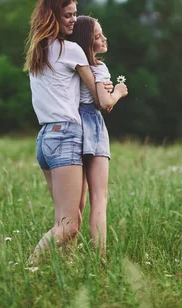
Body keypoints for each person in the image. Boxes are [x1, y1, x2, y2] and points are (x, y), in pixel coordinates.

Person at [23, 0, 110, 262]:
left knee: (65, 220)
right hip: (67, 135)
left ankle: (66, 269)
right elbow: (98, 98)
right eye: (67, 15)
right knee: (69, 225)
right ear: (53, 16)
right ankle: (29, 265)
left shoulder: (38, 51)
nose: (73, 20)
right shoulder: (71, 49)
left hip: (45, 138)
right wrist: (113, 89)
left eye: (74, 15)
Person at [69, 15, 128, 255]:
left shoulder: (73, 66)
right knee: (99, 199)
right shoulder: (99, 67)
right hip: (92, 124)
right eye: (97, 36)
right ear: (87, 42)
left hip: (73, 125)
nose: (104, 39)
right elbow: (104, 102)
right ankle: (99, 256)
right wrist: (118, 93)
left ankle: (68, 254)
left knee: (77, 202)